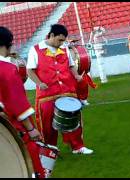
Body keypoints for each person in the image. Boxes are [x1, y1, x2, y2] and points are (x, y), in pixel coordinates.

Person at [27, 24, 93, 154]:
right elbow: (30, 70)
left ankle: (78, 147)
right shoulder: (35, 49)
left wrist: (77, 76)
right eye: (60, 40)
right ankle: (50, 150)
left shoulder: (64, 48)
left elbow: (71, 65)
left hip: (67, 90)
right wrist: (39, 83)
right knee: (47, 124)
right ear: (51, 35)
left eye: (63, 40)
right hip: (47, 94)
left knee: (73, 120)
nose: (62, 43)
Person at [0, 26, 47, 178]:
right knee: (28, 163)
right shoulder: (7, 69)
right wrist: (31, 128)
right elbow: (17, 103)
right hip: (12, 126)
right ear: (6, 44)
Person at [65, 39, 97, 106]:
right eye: (72, 42)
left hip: (80, 71)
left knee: (84, 85)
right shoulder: (64, 50)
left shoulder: (79, 49)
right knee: (72, 87)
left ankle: (83, 99)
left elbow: (80, 58)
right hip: (70, 72)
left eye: (74, 42)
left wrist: (74, 49)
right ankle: (74, 100)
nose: (74, 43)